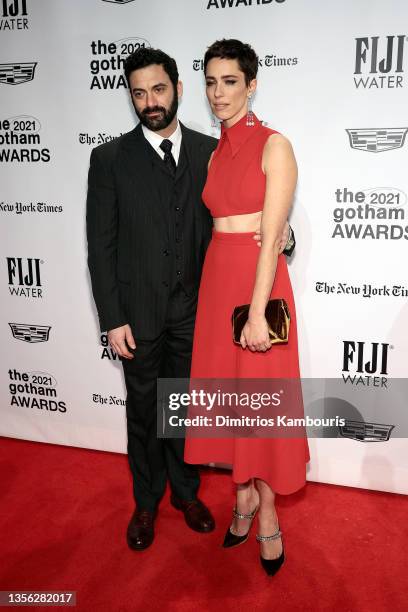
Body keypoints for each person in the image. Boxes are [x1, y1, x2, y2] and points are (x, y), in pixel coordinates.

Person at [86, 47, 293, 552]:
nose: (150, 101)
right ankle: (145, 503)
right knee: (143, 410)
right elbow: (100, 244)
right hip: (138, 315)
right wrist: (112, 318)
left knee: (183, 410)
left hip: (198, 311)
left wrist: (284, 237)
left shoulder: (209, 151)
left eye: (159, 89)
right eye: (139, 93)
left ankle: (186, 494)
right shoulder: (110, 158)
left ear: (178, 90)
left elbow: (249, 216)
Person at [184, 39, 310, 576]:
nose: (218, 93)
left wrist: (258, 312)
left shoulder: (274, 145)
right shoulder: (213, 152)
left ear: (252, 84)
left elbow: (274, 234)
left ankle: (268, 517)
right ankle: (241, 497)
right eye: (211, 82)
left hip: (258, 288)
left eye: (230, 81)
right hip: (218, 285)